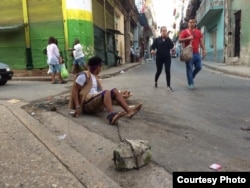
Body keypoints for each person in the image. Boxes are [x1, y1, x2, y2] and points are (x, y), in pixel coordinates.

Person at [69, 56, 142, 125]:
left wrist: (121, 95)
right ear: (97, 67)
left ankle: (129, 111)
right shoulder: (83, 75)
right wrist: (78, 106)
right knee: (106, 92)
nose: (101, 69)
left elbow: (100, 94)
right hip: (86, 105)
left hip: (93, 100)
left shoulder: (94, 77)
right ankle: (111, 116)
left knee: (115, 91)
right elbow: (74, 91)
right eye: (100, 67)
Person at [179, 17, 206, 90]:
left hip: (197, 53)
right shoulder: (185, 31)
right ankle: (191, 83)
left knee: (199, 67)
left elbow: (201, 41)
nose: (192, 23)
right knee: (189, 69)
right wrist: (188, 38)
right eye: (190, 22)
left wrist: (204, 50)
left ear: (195, 23)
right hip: (189, 53)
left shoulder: (198, 32)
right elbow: (180, 40)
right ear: (188, 23)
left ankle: (192, 76)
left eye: (193, 22)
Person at [150, 26, 174, 91]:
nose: (164, 32)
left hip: (167, 58)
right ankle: (155, 81)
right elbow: (152, 47)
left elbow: (172, 46)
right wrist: (152, 50)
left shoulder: (168, 39)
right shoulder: (157, 40)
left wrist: (168, 38)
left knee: (167, 70)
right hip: (159, 57)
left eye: (165, 31)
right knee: (159, 71)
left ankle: (168, 86)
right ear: (161, 32)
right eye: (163, 31)